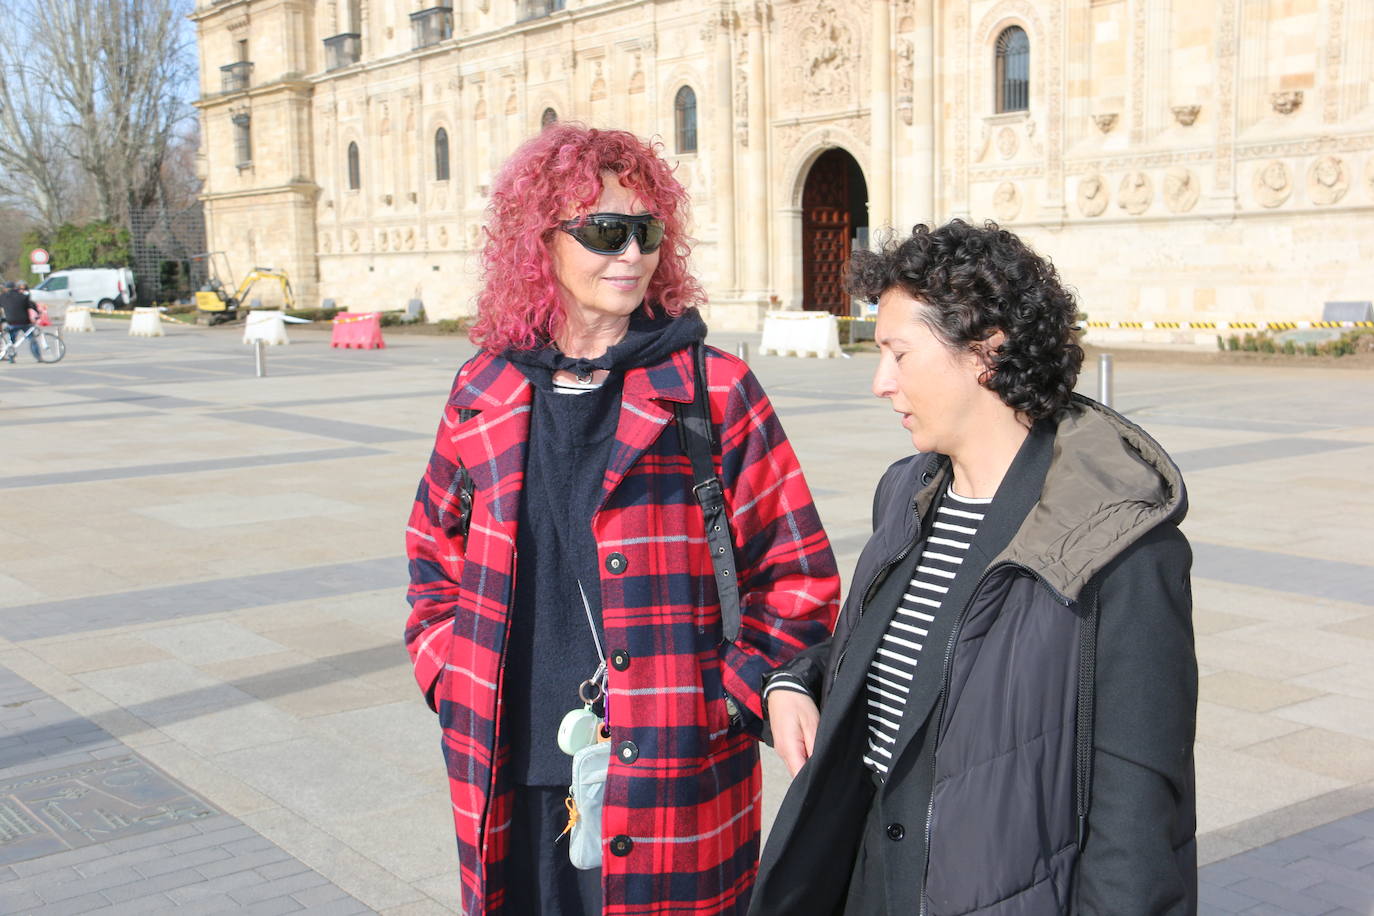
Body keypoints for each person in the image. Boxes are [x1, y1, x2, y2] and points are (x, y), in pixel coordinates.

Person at [404, 123, 841, 916]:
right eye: (606, 231)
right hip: (507, 764)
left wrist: (743, 693)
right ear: (543, 244)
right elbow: (433, 556)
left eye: (647, 232)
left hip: (675, 770)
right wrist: (447, 669)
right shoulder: (484, 390)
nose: (631, 254)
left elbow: (797, 573)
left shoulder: (713, 391)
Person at [752, 220, 1197, 915]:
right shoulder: (906, 494)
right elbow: (906, 660)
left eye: (898, 353)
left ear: (986, 353)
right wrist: (794, 679)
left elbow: (1138, 823)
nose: (879, 382)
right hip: (872, 881)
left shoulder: (1120, 544)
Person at [1, 281, 40, 362]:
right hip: (24, 322)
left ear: (5, 289)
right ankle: (38, 356)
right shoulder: (22, 296)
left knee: (12, 341)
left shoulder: (2, 297)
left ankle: (11, 358)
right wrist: (38, 313)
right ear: (16, 288)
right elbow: (32, 305)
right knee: (32, 339)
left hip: (11, 322)